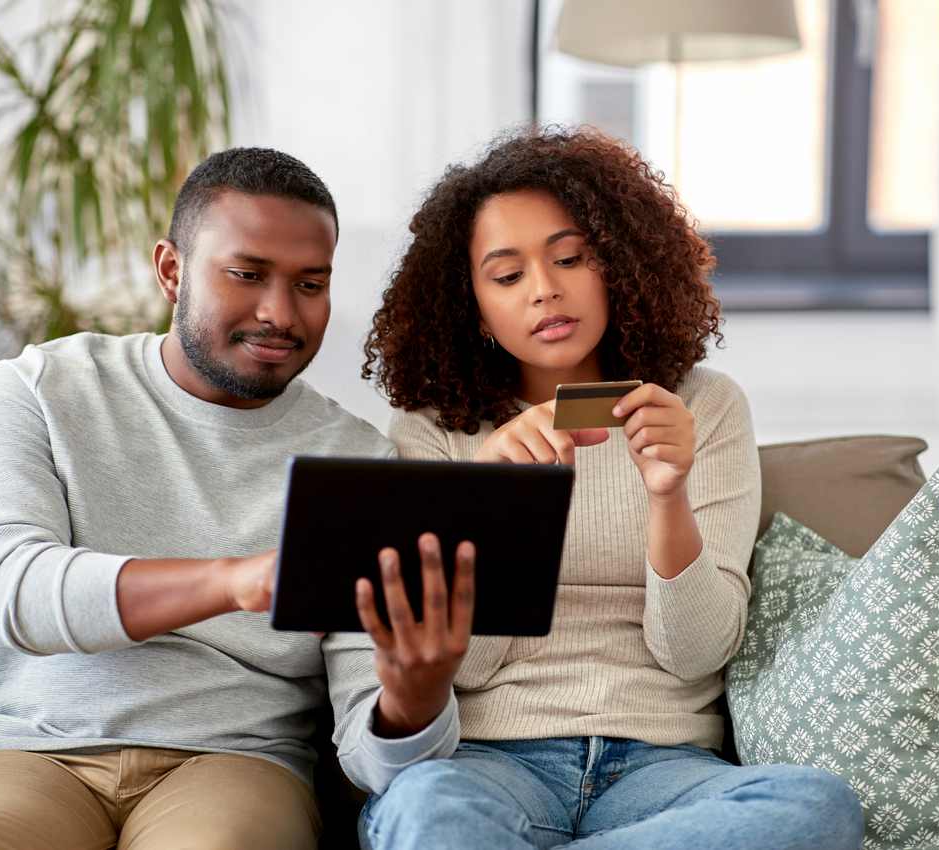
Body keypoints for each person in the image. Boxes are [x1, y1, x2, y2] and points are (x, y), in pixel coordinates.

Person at [0, 147, 472, 850]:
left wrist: (414, 700)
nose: (280, 313)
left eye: (310, 284)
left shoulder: (357, 458)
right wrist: (233, 581)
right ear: (172, 270)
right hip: (29, 753)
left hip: (236, 762)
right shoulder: (35, 392)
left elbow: (372, 759)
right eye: (247, 275)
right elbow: (6, 588)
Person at [356, 127, 865, 850]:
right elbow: (461, 664)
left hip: (662, 767)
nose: (545, 289)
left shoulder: (704, 406)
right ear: (473, 307)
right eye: (507, 277)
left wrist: (668, 495)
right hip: (492, 764)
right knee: (425, 810)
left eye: (570, 258)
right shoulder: (432, 431)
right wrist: (493, 506)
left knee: (818, 807)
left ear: (619, 265)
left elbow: (696, 652)